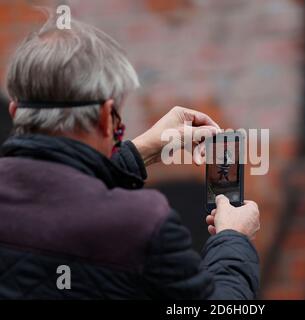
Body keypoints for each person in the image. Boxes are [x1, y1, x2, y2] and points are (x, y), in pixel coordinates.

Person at [0, 16, 260, 299]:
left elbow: (61, 185)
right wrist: (233, 238)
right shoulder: (142, 224)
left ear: (15, 112)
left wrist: (138, 153)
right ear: (105, 116)